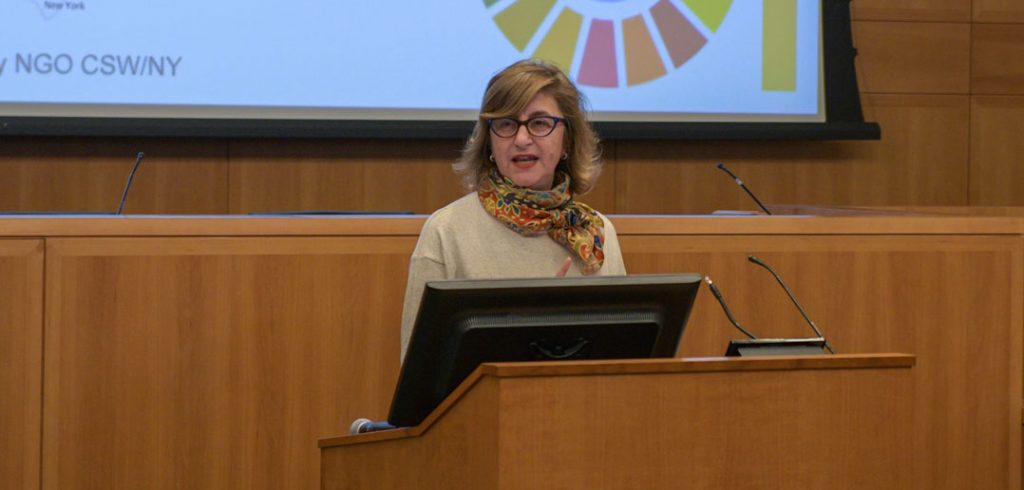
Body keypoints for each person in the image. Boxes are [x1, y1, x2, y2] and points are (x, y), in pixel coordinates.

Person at [400, 59, 626, 359]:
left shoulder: (597, 232)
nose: (521, 139)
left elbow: (624, 358)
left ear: (568, 140)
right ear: (489, 142)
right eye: (506, 124)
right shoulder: (447, 232)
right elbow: (419, 371)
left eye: (540, 123)